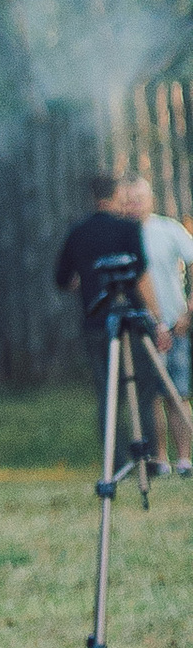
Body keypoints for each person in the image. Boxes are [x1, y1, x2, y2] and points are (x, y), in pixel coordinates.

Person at [52, 176, 188, 471]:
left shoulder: (78, 232)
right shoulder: (128, 229)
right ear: (115, 196)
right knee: (145, 391)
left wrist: (85, 281)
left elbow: (63, 279)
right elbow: (141, 277)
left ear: (92, 197)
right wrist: (156, 321)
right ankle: (151, 459)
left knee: (107, 395)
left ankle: (115, 463)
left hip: (96, 324)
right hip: (133, 324)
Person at [120, 174, 193, 452]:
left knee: (179, 393)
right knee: (150, 397)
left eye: (139, 199)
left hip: (175, 324)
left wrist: (188, 310)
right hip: (142, 326)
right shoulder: (123, 234)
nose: (134, 205)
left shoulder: (169, 230)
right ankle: (159, 457)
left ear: (151, 199)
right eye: (129, 200)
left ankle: (185, 458)